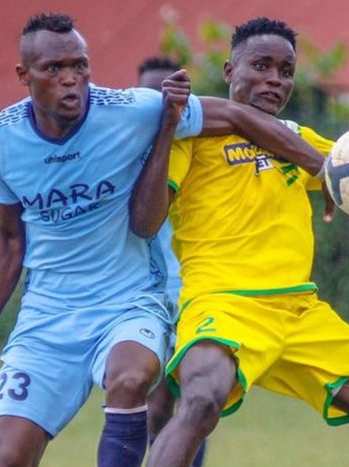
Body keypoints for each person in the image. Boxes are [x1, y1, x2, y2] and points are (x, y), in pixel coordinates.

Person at [0, 13, 333, 467]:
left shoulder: (129, 111)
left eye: (80, 66)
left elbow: (238, 115)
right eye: (54, 69)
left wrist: (320, 166)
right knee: (8, 454)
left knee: (134, 380)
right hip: (48, 313)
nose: (71, 79)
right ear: (24, 76)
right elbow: (9, 239)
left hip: (130, 301)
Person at [133, 17, 349, 466]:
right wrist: (168, 129)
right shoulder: (192, 137)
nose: (274, 79)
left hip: (301, 312)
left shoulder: (297, 139)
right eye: (261, 66)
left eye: (286, 71)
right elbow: (145, 222)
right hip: (223, 306)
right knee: (201, 401)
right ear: (229, 71)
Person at [137, 56, 206, 467]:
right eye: (152, 95)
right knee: (155, 403)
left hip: (191, 289)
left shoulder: (195, 148)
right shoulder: (123, 153)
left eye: (171, 95)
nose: (162, 103)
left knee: (194, 398)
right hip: (143, 293)